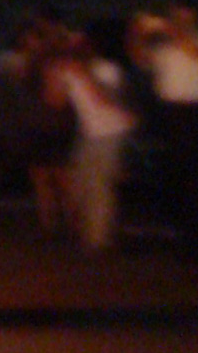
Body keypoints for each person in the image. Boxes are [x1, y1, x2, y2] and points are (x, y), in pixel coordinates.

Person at [131, 0, 198, 261]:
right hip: (171, 116)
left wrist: (176, 33)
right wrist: (138, 33)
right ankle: (186, 237)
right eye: (175, 16)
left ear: (197, 17)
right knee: (178, 176)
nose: (178, 21)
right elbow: (140, 59)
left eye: (185, 16)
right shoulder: (165, 47)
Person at [56, 30, 137, 252]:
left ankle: (97, 240)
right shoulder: (69, 72)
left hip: (113, 130)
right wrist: (54, 76)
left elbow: (103, 100)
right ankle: (87, 232)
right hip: (90, 133)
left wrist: (84, 75)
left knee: (100, 185)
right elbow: (57, 101)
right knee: (79, 183)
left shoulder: (107, 69)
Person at [17, 17, 79, 237]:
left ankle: (59, 224)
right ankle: (56, 223)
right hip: (48, 124)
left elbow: (56, 98)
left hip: (49, 125)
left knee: (55, 177)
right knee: (48, 177)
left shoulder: (49, 60)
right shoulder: (42, 59)